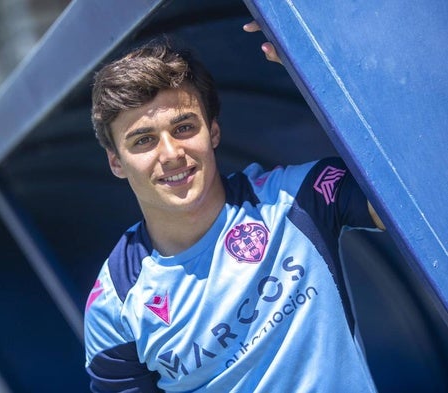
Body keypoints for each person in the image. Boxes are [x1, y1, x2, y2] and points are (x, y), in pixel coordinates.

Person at [84, 20, 384, 392]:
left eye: (183, 128)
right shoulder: (114, 304)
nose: (172, 153)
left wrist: (329, 64)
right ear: (116, 162)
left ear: (213, 132)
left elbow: (416, 198)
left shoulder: (296, 198)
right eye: (143, 140)